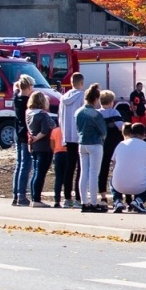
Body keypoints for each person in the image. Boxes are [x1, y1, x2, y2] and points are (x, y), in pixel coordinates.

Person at [110, 123, 146, 212]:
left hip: (119, 185)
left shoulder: (121, 144)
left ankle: (117, 201)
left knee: (112, 180)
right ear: (144, 134)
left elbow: (114, 165)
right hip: (140, 186)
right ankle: (138, 200)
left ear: (130, 133)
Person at [55, 72, 85, 207]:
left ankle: (67, 198)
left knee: (69, 167)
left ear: (71, 83)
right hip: (79, 135)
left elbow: (60, 117)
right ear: (81, 83)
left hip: (67, 134)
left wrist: (63, 132)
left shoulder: (63, 98)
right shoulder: (82, 96)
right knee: (81, 168)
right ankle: (79, 198)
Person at [75, 83, 107, 212]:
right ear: (96, 99)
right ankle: (93, 202)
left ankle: (84, 202)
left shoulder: (78, 112)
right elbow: (103, 132)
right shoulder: (96, 114)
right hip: (95, 143)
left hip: (82, 143)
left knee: (84, 173)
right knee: (94, 173)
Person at [25, 91, 56, 207]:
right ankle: (37, 199)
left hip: (33, 147)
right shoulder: (43, 115)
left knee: (35, 172)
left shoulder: (28, 113)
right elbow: (46, 130)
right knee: (40, 173)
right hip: (44, 147)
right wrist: (36, 139)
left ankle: (34, 197)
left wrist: (32, 140)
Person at [11, 74, 35, 206]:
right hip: (26, 135)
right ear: (29, 87)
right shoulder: (28, 102)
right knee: (25, 165)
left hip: (18, 134)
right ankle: (21, 196)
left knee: (19, 165)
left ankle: (16, 195)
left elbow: (15, 87)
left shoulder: (16, 98)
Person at [98, 89, 125, 197]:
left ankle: (103, 194)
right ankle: (118, 194)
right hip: (114, 144)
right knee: (117, 169)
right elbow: (120, 127)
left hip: (101, 143)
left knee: (102, 170)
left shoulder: (97, 113)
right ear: (111, 102)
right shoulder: (114, 112)